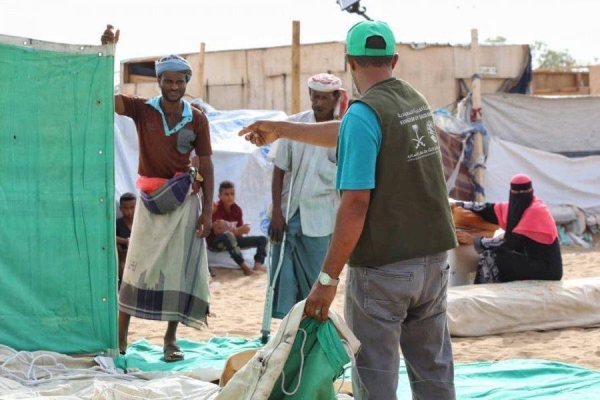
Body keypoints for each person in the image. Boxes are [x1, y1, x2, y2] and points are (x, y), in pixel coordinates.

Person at [240, 20, 457, 400]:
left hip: (384, 269)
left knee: (375, 375)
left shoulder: (364, 113)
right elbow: (350, 130)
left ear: (350, 63)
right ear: (395, 60)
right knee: (433, 369)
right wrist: (283, 128)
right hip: (434, 261)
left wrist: (327, 280)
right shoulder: (413, 101)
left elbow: (355, 204)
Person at [101, 25, 214, 362]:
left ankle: (170, 341)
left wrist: (207, 212)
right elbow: (106, 98)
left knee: (178, 272)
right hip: (150, 203)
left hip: (184, 202)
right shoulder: (142, 109)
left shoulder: (197, 119)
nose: (174, 86)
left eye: (180, 81)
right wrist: (109, 52)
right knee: (136, 269)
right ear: (159, 82)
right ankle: (121, 339)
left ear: (186, 83)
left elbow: (206, 164)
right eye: (168, 80)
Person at [268, 73, 346, 318]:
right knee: (282, 279)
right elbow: (279, 171)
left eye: (324, 98)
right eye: (315, 97)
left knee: (316, 280)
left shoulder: (344, 132)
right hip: (289, 213)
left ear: (335, 98)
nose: (319, 103)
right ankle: (285, 333)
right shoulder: (293, 125)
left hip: (322, 220)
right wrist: (277, 213)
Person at [453, 174, 563, 283]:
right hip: (529, 260)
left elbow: (510, 244)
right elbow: (488, 210)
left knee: (493, 256)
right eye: (517, 192)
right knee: (496, 256)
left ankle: (481, 292)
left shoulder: (536, 211)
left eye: (524, 192)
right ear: (511, 192)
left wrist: (475, 240)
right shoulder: (511, 208)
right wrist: (460, 204)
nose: (520, 195)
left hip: (547, 268)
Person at [207, 180, 268, 276]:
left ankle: (258, 265)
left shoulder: (237, 210)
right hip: (215, 243)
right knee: (227, 235)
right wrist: (238, 230)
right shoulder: (215, 208)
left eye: (232, 194)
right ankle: (245, 268)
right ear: (220, 196)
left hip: (232, 240)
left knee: (263, 239)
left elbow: (239, 235)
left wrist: (243, 230)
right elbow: (217, 231)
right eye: (226, 194)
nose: (230, 197)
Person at [116, 192, 136, 289]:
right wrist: (126, 241)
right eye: (126, 208)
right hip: (124, 262)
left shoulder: (142, 223)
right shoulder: (117, 224)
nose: (129, 211)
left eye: (132, 207)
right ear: (121, 209)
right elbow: (110, 236)